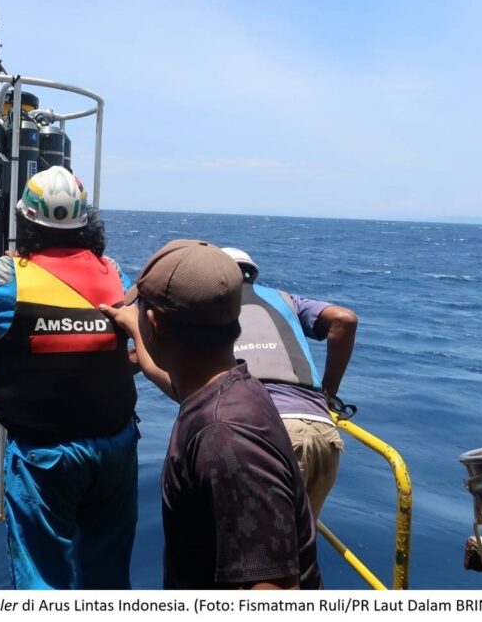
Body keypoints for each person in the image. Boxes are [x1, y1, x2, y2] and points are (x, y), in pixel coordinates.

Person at [102, 239, 320, 590]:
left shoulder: (226, 436)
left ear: (154, 323)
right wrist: (136, 330)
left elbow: (273, 591)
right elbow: (174, 381)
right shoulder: (230, 389)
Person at [0, 166, 139, 590]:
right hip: (114, 446)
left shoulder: (6, 277)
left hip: (44, 454)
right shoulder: (114, 273)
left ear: (25, 221)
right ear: (86, 221)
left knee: (42, 576)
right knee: (108, 573)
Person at [222, 247, 358, 518]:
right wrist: (328, 394)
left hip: (258, 429)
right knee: (301, 537)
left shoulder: (207, 305)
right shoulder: (286, 299)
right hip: (320, 431)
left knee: (253, 538)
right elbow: (344, 319)